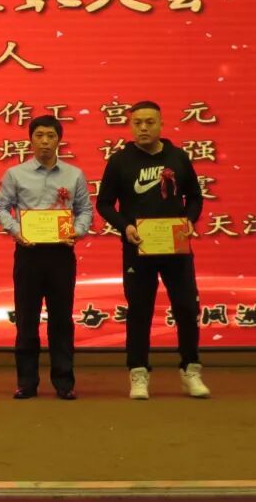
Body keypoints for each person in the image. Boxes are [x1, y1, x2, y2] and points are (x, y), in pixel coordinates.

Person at [97, 100, 209, 400]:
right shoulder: (120, 161)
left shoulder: (178, 157)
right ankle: (138, 372)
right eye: (137, 123)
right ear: (130, 125)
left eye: (149, 122)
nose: (143, 128)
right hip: (138, 247)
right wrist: (125, 227)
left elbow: (195, 197)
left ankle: (190, 369)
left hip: (176, 247)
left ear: (161, 124)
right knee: (139, 310)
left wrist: (189, 220)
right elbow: (104, 204)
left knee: (186, 307)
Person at [0, 115, 92, 400]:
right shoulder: (15, 174)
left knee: (62, 320)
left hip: (61, 254)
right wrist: (16, 231)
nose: (45, 141)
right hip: (29, 253)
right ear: (31, 140)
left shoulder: (74, 174)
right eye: (39, 136)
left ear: (59, 140)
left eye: (50, 136)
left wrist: (77, 231)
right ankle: (26, 382)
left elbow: (85, 210)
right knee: (27, 319)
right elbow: (1, 209)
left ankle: (64, 382)